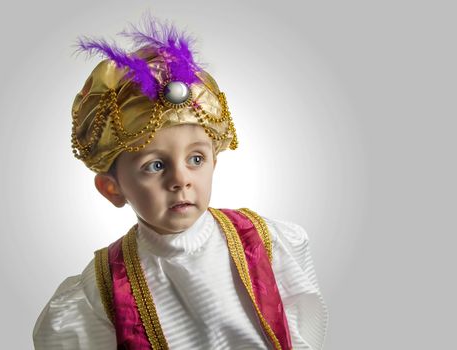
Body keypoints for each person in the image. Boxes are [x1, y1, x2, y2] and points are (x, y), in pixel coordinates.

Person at [33, 16, 328, 350]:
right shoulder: (102, 287)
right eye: (155, 165)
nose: (180, 180)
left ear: (214, 162)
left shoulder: (265, 240)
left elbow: (303, 328)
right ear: (112, 188)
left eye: (196, 159)